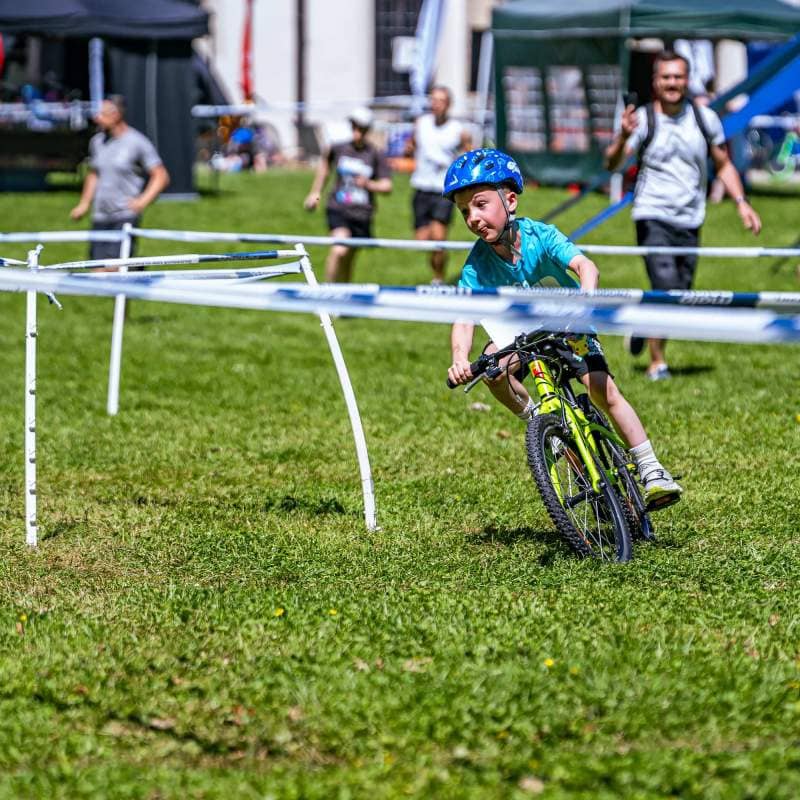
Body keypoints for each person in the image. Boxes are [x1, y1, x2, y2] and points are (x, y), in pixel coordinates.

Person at [444, 148, 682, 509]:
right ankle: (539, 420)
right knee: (492, 370)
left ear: (510, 201)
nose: (473, 218)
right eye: (465, 212)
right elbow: (463, 316)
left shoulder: (540, 236)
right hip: (521, 337)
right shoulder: (476, 265)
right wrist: (460, 358)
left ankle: (651, 468)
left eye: (480, 205)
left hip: (569, 323)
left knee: (602, 390)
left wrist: (585, 304)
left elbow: (587, 268)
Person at [604, 50, 761, 381]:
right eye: (666, 77)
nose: (672, 83)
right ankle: (657, 363)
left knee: (681, 295)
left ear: (687, 80)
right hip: (652, 213)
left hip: (691, 217)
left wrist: (742, 202)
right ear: (655, 81)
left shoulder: (705, 118)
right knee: (666, 287)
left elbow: (723, 164)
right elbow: (612, 164)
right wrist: (621, 136)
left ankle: (644, 325)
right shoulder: (643, 119)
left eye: (678, 77)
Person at [69, 95, 169, 262]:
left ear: (116, 115)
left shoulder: (137, 142)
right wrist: (84, 204)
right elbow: (94, 174)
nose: (96, 118)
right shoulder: (97, 142)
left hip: (124, 215)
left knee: (114, 268)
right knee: (97, 269)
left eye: (102, 113)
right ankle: (135, 271)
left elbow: (161, 176)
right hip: (100, 215)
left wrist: (142, 202)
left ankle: (134, 271)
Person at [303, 106, 392, 282]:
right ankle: (327, 294)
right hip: (338, 209)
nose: (356, 131)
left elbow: (387, 186)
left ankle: (344, 299)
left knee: (348, 260)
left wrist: (368, 184)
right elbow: (325, 166)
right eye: (354, 126)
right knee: (339, 250)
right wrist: (315, 193)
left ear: (367, 130)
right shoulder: (339, 148)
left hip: (362, 213)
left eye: (360, 128)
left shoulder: (374, 154)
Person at [406, 86, 471, 284]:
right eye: (433, 100)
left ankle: (438, 278)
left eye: (440, 100)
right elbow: (413, 144)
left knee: (438, 239)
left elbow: (470, 155)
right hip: (421, 186)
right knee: (423, 240)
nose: (436, 104)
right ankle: (438, 266)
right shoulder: (421, 123)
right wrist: (409, 149)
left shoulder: (458, 130)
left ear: (448, 104)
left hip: (443, 190)